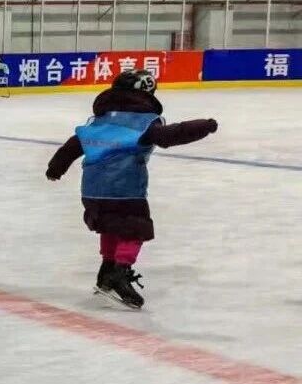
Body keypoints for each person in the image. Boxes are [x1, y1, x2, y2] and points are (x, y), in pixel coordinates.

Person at [45, 70, 218, 309]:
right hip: (124, 188)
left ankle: (106, 271)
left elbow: (72, 146)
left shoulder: (100, 120)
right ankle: (120, 271)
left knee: (109, 225)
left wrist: (55, 168)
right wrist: (204, 126)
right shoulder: (143, 122)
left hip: (92, 189)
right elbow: (170, 136)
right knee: (133, 228)